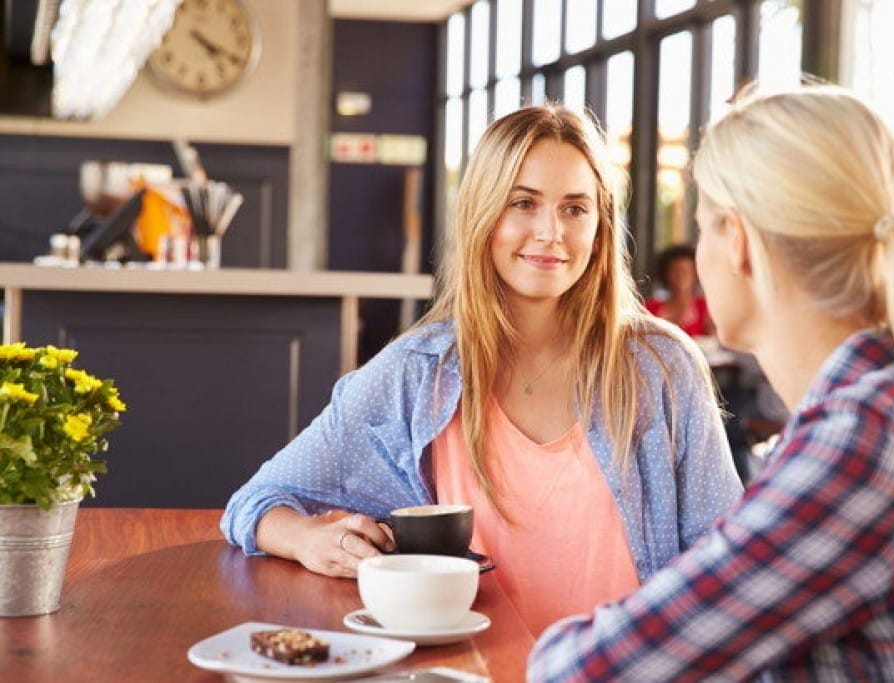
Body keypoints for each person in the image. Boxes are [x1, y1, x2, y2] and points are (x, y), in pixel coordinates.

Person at [527, 85, 894, 680]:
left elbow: (586, 671)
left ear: (737, 243)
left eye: (705, 226)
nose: (700, 253)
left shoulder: (866, 440)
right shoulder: (893, 405)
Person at [221, 104, 743, 637]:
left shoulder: (660, 368)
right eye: (524, 203)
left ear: (602, 226)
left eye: (575, 209)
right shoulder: (417, 373)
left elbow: (726, 563)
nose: (550, 232)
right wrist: (311, 540)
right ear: (483, 214)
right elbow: (256, 502)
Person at [645, 245, 712, 337]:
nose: (680, 277)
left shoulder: (705, 308)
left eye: (686, 271)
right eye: (675, 271)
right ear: (665, 273)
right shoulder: (650, 308)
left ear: (696, 274)